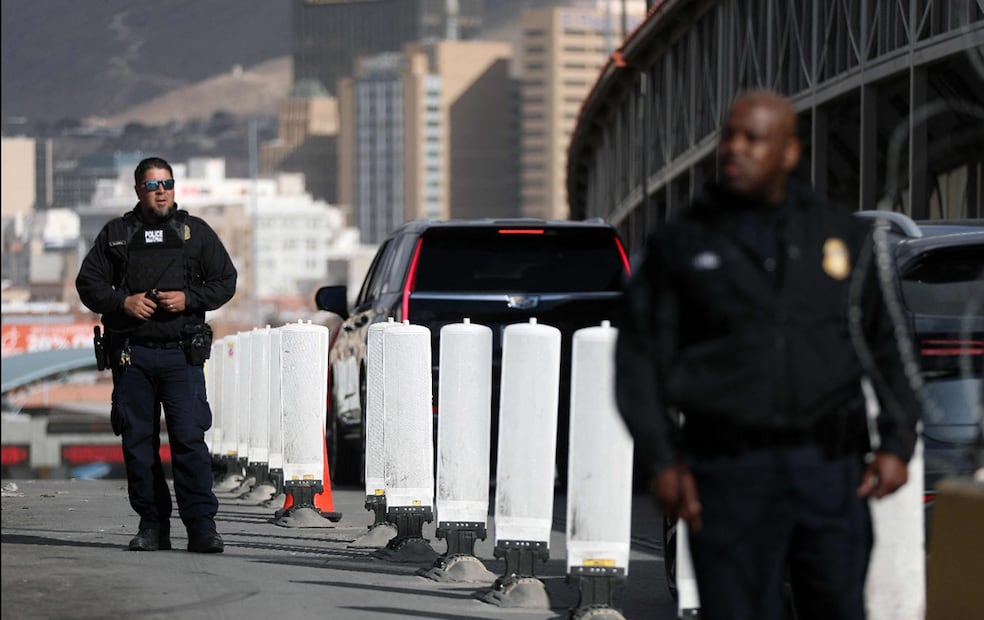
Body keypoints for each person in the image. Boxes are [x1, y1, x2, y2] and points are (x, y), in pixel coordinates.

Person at [615, 90, 922, 620]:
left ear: (788, 153)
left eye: (753, 139)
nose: (735, 149)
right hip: (727, 474)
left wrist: (897, 442)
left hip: (829, 473)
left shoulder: (844, 237)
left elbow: (892, 347)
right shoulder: (680, 243)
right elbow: (638, 361)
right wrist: (661, 460)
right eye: (729, 137)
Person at [76, 156, 237, 553]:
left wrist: (188, 298)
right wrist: (122, 303)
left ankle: (201, 528)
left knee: (188, 442)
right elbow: (88, 284)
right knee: (138, 444)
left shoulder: (194, 233)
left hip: (181, 356)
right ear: (138, 191)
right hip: (133, 356)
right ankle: (152, 526)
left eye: (166, 183)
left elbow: (225, 281)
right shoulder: (116, 234)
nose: (160, 190)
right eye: (151, 185)